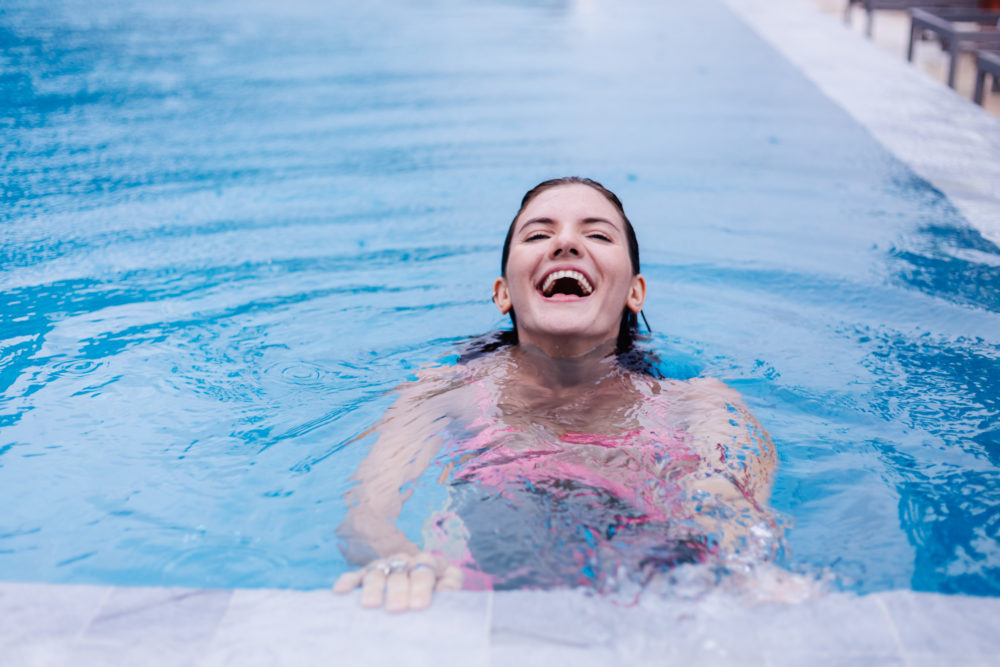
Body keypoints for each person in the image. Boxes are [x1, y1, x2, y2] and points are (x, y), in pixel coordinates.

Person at [333, 177, 779, 612]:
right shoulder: (442, 392)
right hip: (474, 592)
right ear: (503, 293)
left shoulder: (698, 403)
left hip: (662, 590)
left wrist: (740, 566)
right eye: (539, 234)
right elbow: (369, 513)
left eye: (598, 234)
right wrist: (398, 560)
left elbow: (729, 506)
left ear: (635, 292)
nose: (565, 244)